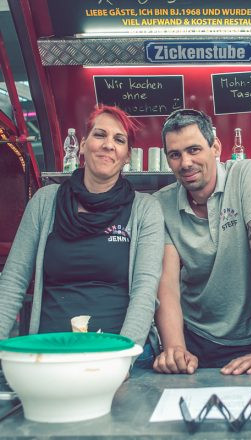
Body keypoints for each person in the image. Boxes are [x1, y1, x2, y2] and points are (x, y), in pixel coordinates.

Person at [0, 105, 164, 349]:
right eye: (100, 135)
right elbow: (13, 281)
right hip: (49, 351)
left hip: (117, 354)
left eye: (119, 140)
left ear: (127, 155)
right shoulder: (46, 201)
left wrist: (123, 358)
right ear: (83, 145)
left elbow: (144, 293)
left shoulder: (145, 209)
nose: (108, 144)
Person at [153, 109, 251, 375]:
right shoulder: (161, 203)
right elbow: (167, 285)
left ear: (215, 147)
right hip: (194, 339)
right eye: (175, 154)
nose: (185, 163)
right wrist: (175, 350)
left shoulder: (247, 175)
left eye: (194, 149)